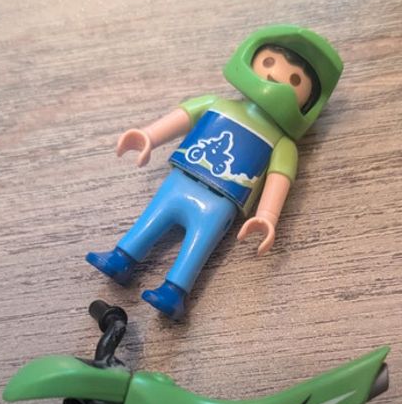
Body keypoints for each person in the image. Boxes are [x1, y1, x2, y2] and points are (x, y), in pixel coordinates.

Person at [86, 24, 343, 319]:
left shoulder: (283, 144)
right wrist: (149, 136)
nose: (277, 76)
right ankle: (122, 257)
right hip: (182, 178)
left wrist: (267, 216)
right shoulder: (217, 104)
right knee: (152, 218)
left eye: (295, 80)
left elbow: (278, 179)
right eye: (270, 61)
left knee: (199, 244)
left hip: (222, 201)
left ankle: (174, 291)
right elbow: (184, 116)